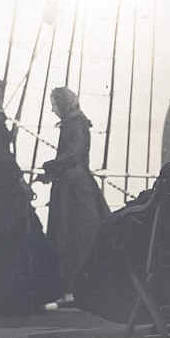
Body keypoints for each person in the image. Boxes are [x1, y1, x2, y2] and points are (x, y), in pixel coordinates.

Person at [0, 75, 61, 314]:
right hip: (3, 183)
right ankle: (18, 299)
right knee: (17, 236)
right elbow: (2, 156)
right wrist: (19, 181)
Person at [42, 87, 111, 303]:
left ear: (63, 104)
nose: (52, 109)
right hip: (74, 185)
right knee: (77, 234)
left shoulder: (75, 124)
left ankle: (76, 288)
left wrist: (49, 165)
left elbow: (74, 154)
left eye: (54, 104)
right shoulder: (77, 123)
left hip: (74, 189)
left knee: (74, 236)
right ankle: (78, 288)